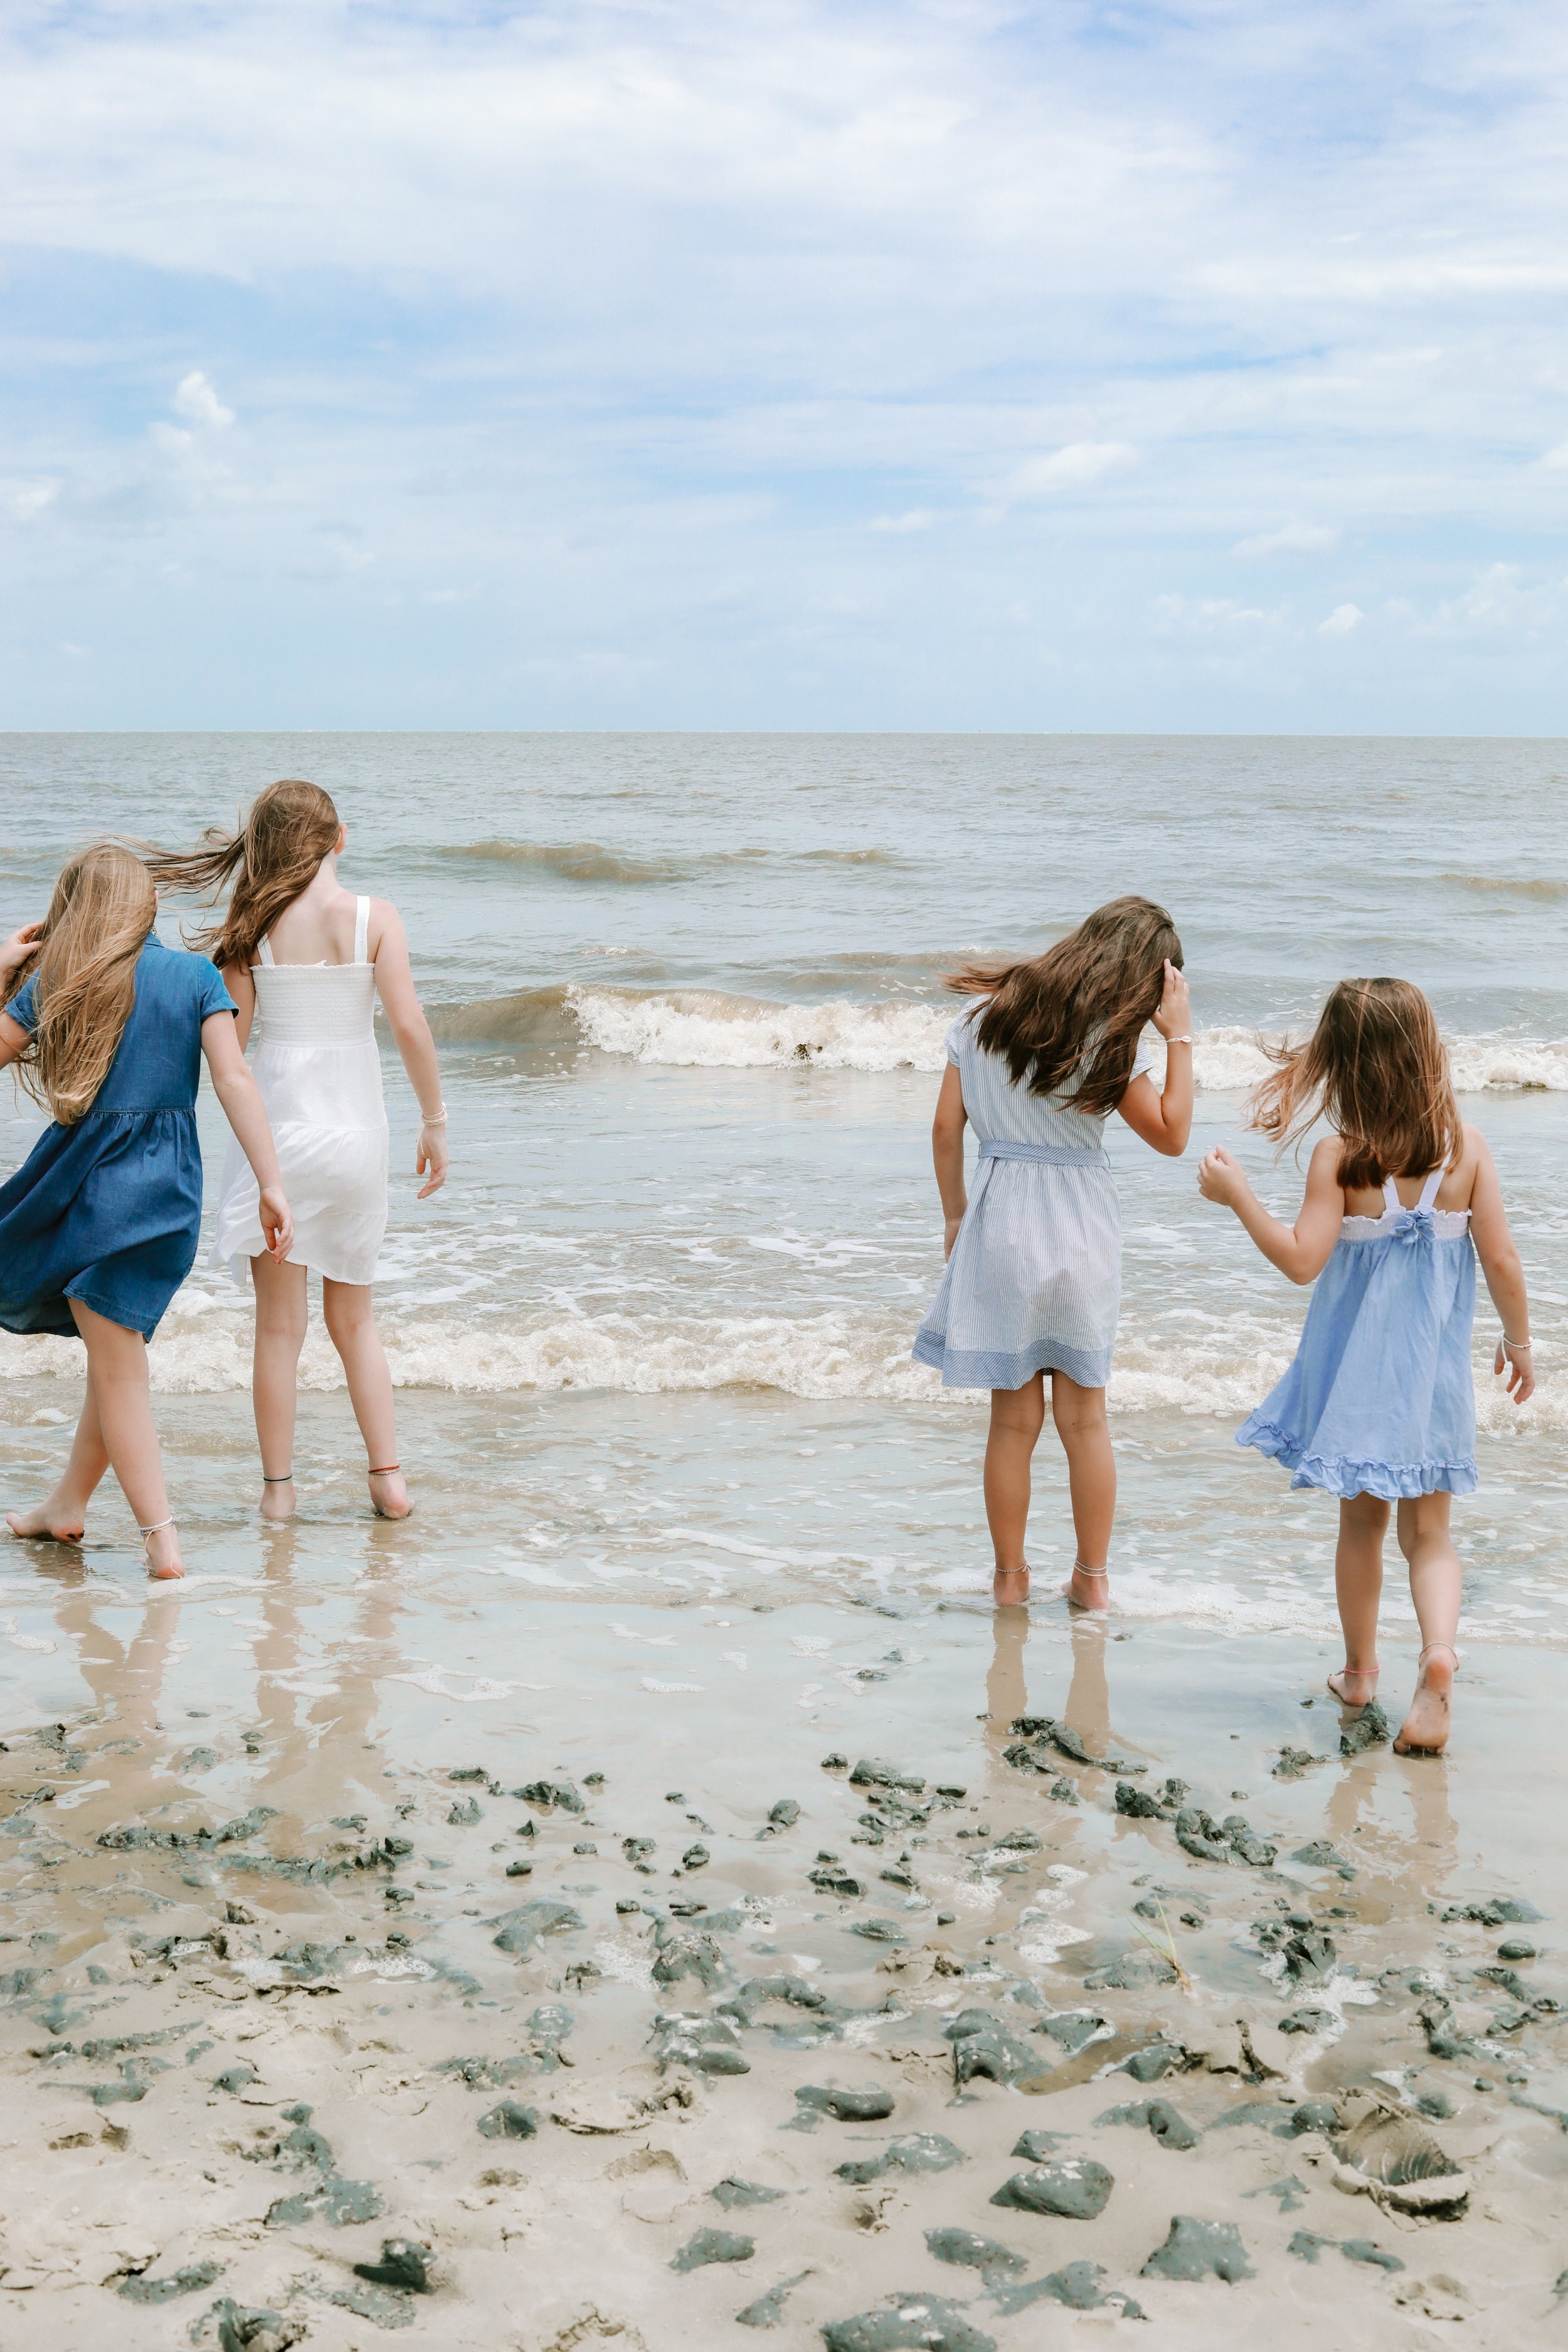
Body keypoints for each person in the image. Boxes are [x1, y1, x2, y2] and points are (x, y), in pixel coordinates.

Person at [1197, 977, 1534, 1757]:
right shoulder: (1466, 1151)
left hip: (1359, 1389)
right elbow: (1504, 1260)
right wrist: (1519, 1343)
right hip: (1434, 1385)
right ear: (1426, 1053)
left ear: (1346, 1068)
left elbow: (1299, 1261)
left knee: (1361, 1525)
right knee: (1432, 1535)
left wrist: (1239, 1196)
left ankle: (1358, 1671)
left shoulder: (1340, 1159)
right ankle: (1439, 1655)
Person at [149, 781, 448, 1522]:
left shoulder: (253, 928)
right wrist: (435, 1121)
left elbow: (233, 1056)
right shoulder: (375, 918)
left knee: (279, 1329)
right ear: (340, 837)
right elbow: (410, 1026)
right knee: (356, 1321)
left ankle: (278, 1495)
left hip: (277, 1143)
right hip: (355, 1138)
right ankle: (388, 1481)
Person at [0, 844, 292, 1579]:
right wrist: (269, 1182)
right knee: (116, 1353)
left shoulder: (63, 977)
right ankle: (65, 1506)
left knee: (119, 1367)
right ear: (146, 905)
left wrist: (5, 973)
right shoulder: (193, 975)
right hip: (169, 1192)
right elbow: (234, 1080)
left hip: (87, 1193)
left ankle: (162, 1541)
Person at [913, 896, 1194, 1608]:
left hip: (1000, 1221)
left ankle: (1009, 1582)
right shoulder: (1103, 1038)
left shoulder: (980, 1018)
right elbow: (1171, 1134)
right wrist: (1180, 1039)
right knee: (1085, 1421)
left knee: (1011, 1422)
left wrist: (955, 1215)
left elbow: (947, 1130)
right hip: (1081, 1229)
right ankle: (1091, 1584)